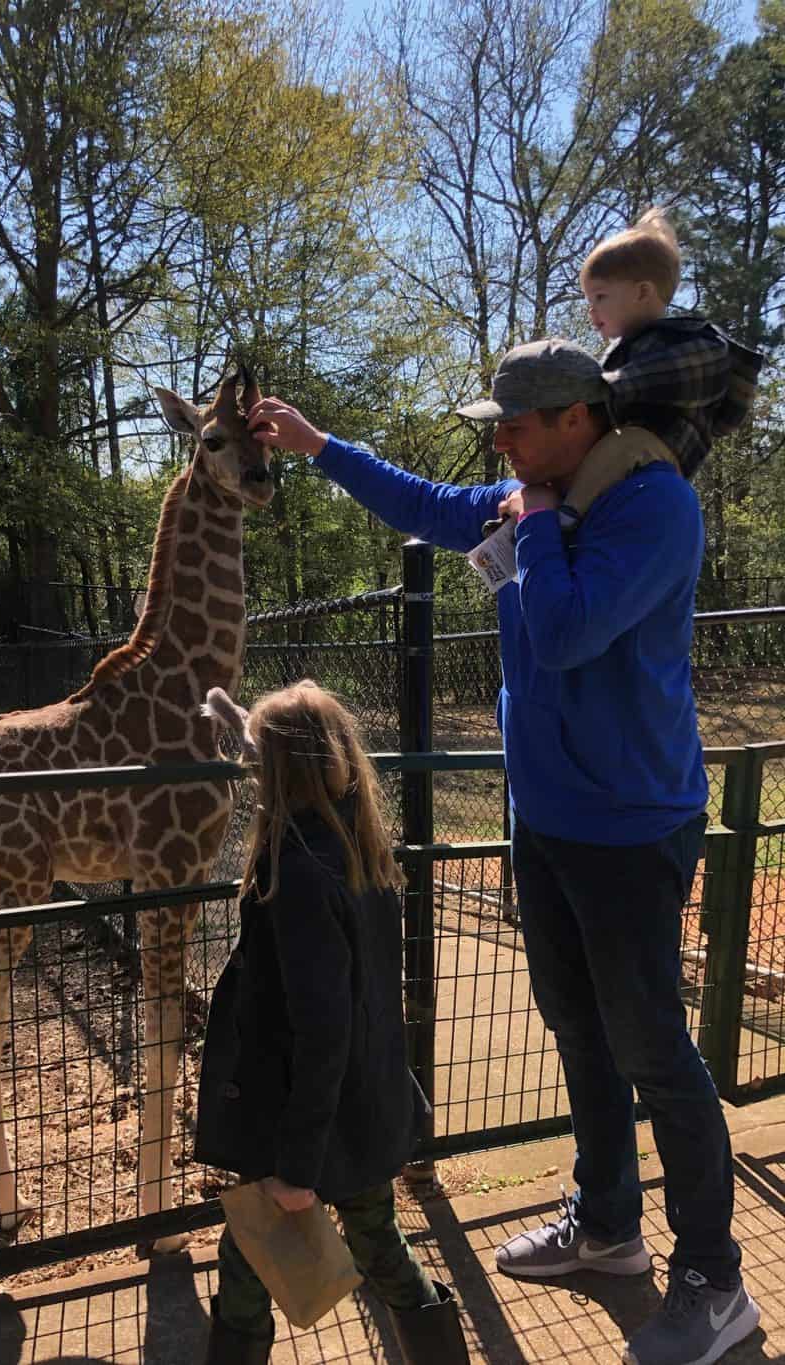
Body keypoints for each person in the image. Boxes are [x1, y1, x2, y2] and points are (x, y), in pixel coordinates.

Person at [245, 340, 760, 1365]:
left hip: (629, 825)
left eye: (515, 424)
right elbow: (430, 506)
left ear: (580, 418)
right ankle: (608, 1226)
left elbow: (567, 632)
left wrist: (532, 526)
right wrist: (318, 446)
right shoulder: (539, 493)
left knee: (654, 1050)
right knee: (577, 1030)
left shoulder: (647, 508)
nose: (499, 439)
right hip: (550, 819)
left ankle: (713, 1281)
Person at [194, 681, 469, 1365]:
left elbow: (323, 1031)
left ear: (277, 776)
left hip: (300, 1120)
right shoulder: (360, 849)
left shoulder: (298, 877)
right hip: (362, 1109)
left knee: (246, 1265)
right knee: (381, 1246)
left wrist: (295, 1166)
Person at [558, 207, 763, 530]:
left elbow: (649, 381)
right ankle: (536, 513)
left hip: (664, 451)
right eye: (588, 301)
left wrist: (596, 389)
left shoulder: (693, 341)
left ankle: (565, 518)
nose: (591, 311)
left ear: (642, 292)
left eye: (599, 297)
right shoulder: (625, 348)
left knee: (625, 442)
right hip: (628, 452)